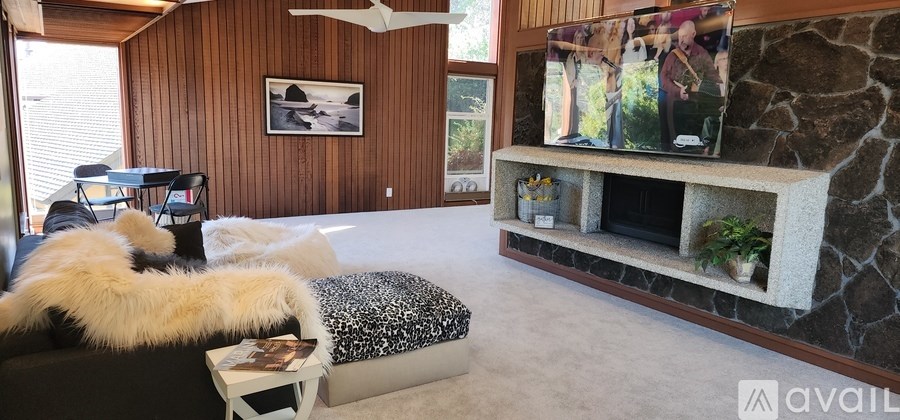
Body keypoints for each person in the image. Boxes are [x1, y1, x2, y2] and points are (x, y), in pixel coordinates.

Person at [659, 20, 724, 153]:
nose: (681, 40)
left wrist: (720, 96)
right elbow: (663, 79)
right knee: (676, 145)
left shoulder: (702, 53)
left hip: (697, 109)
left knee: (696, 146)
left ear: (693, 34)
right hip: (676, 107)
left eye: (685, 36)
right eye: (680, 36)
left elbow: (713, 76)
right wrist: (678, 91)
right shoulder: (672, 55)